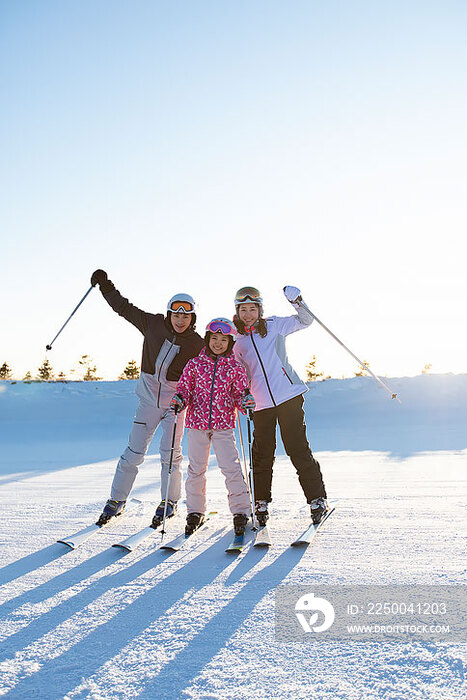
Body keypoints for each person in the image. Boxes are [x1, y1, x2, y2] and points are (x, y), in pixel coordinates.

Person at [90, 269, 204, 526]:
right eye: (176, 314)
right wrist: (105, 285)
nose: (180, 319)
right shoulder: (152, 324)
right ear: (169, 314)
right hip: (147, 402)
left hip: (176, 407)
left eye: (186, 315)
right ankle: (117, 500)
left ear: (192, 317)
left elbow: (212, 364)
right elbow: (123, 307)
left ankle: (169, 501)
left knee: (171, 454)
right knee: (133, 452)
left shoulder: (197, 344)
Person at [232, 285, 328, 525]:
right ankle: (260, 502)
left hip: (289, 395)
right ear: (237, 311)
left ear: (259, 309)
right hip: (260, 403)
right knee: (262, 454)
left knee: (297, 448)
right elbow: (236, 372)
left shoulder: (274, 325)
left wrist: (297, 301)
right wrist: (243, 395)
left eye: (252, 309)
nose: (248, 315)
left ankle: (317, 498)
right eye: (243, 310)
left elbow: (306, 320)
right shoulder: (235, 339)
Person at [170, 318, 255, 536]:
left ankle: (241, 511)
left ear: (230, 342)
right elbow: (185, 388)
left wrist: (245, 402)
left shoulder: (235, 367)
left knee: (231, 467)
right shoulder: (195, 365)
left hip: (223, 425)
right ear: (208, 340)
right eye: (214, 339)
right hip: (197, 424)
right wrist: (180, 399)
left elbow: (239, 394)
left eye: (223, 340)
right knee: (196, 469)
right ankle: (195, 511)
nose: (218, 343)